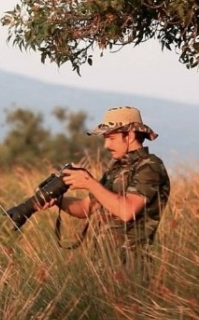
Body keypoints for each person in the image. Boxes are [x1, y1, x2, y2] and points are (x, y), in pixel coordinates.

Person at [42, 106, 171, 281]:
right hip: (104, 267)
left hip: (132, 269)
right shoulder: (116, 169)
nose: (106, 145)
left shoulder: (150, 166)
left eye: (111, 138)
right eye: (105, 138)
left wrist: (89, 182)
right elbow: (85, 208)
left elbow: (127, 211)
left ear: (130, 135)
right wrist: (56, 199)